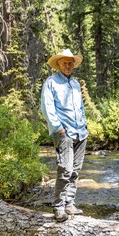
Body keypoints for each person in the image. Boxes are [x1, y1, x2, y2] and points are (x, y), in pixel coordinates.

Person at [41, 49, 88, 222]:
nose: (68, 66)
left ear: (73, 65)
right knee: (65, 169)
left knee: (75, 170)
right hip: (64, 133)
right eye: (64, 63)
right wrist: (59, 129)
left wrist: (85, 125)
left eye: (70, 63)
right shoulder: (51, 82)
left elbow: (80, 107)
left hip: (81, 132)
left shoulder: (75, 84)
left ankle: (70, 203)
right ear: (58, 64)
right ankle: (58, 207)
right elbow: (47, 108)